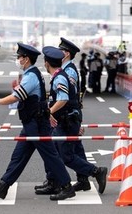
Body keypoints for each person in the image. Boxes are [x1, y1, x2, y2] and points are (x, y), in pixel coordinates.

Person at [0, 43, 75, 201]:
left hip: (37, 124)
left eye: (19, 57)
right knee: (19, 155)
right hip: (31, 123)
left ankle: (66, 186)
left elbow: (16, 96)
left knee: (50, 155)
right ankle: (4, 186)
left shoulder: (31, 76)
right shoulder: (31, 74)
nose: (17, 59)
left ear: (26, 59)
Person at [43, 46, 107, 194]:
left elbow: (68, 98)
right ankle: (82, 180)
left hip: (67, 117)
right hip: (68, 117)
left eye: (61, 50)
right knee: (73, 150)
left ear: (66, 53)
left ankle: (95, 172)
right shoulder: (63, 71)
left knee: (65, 154)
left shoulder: (68, 71)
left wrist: (51, 112)